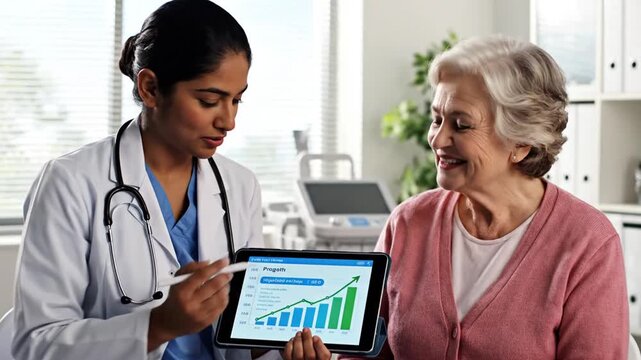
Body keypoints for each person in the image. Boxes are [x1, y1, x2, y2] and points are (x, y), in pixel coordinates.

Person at [11, 1, 330, 359]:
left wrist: (286, 353)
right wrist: (157, 325)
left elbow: (245, 337)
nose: (228, 121)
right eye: (209, 100)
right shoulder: (71, 182)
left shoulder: (239, 185)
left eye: (237, 100)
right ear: (150, 88)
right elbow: (34, 346)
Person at [340, 35, 628, 359]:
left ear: (521, 144)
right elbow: (363, 352)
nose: (437, 139)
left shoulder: (587, 244)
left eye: (461, 125)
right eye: (437, 119)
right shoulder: (407, 223)